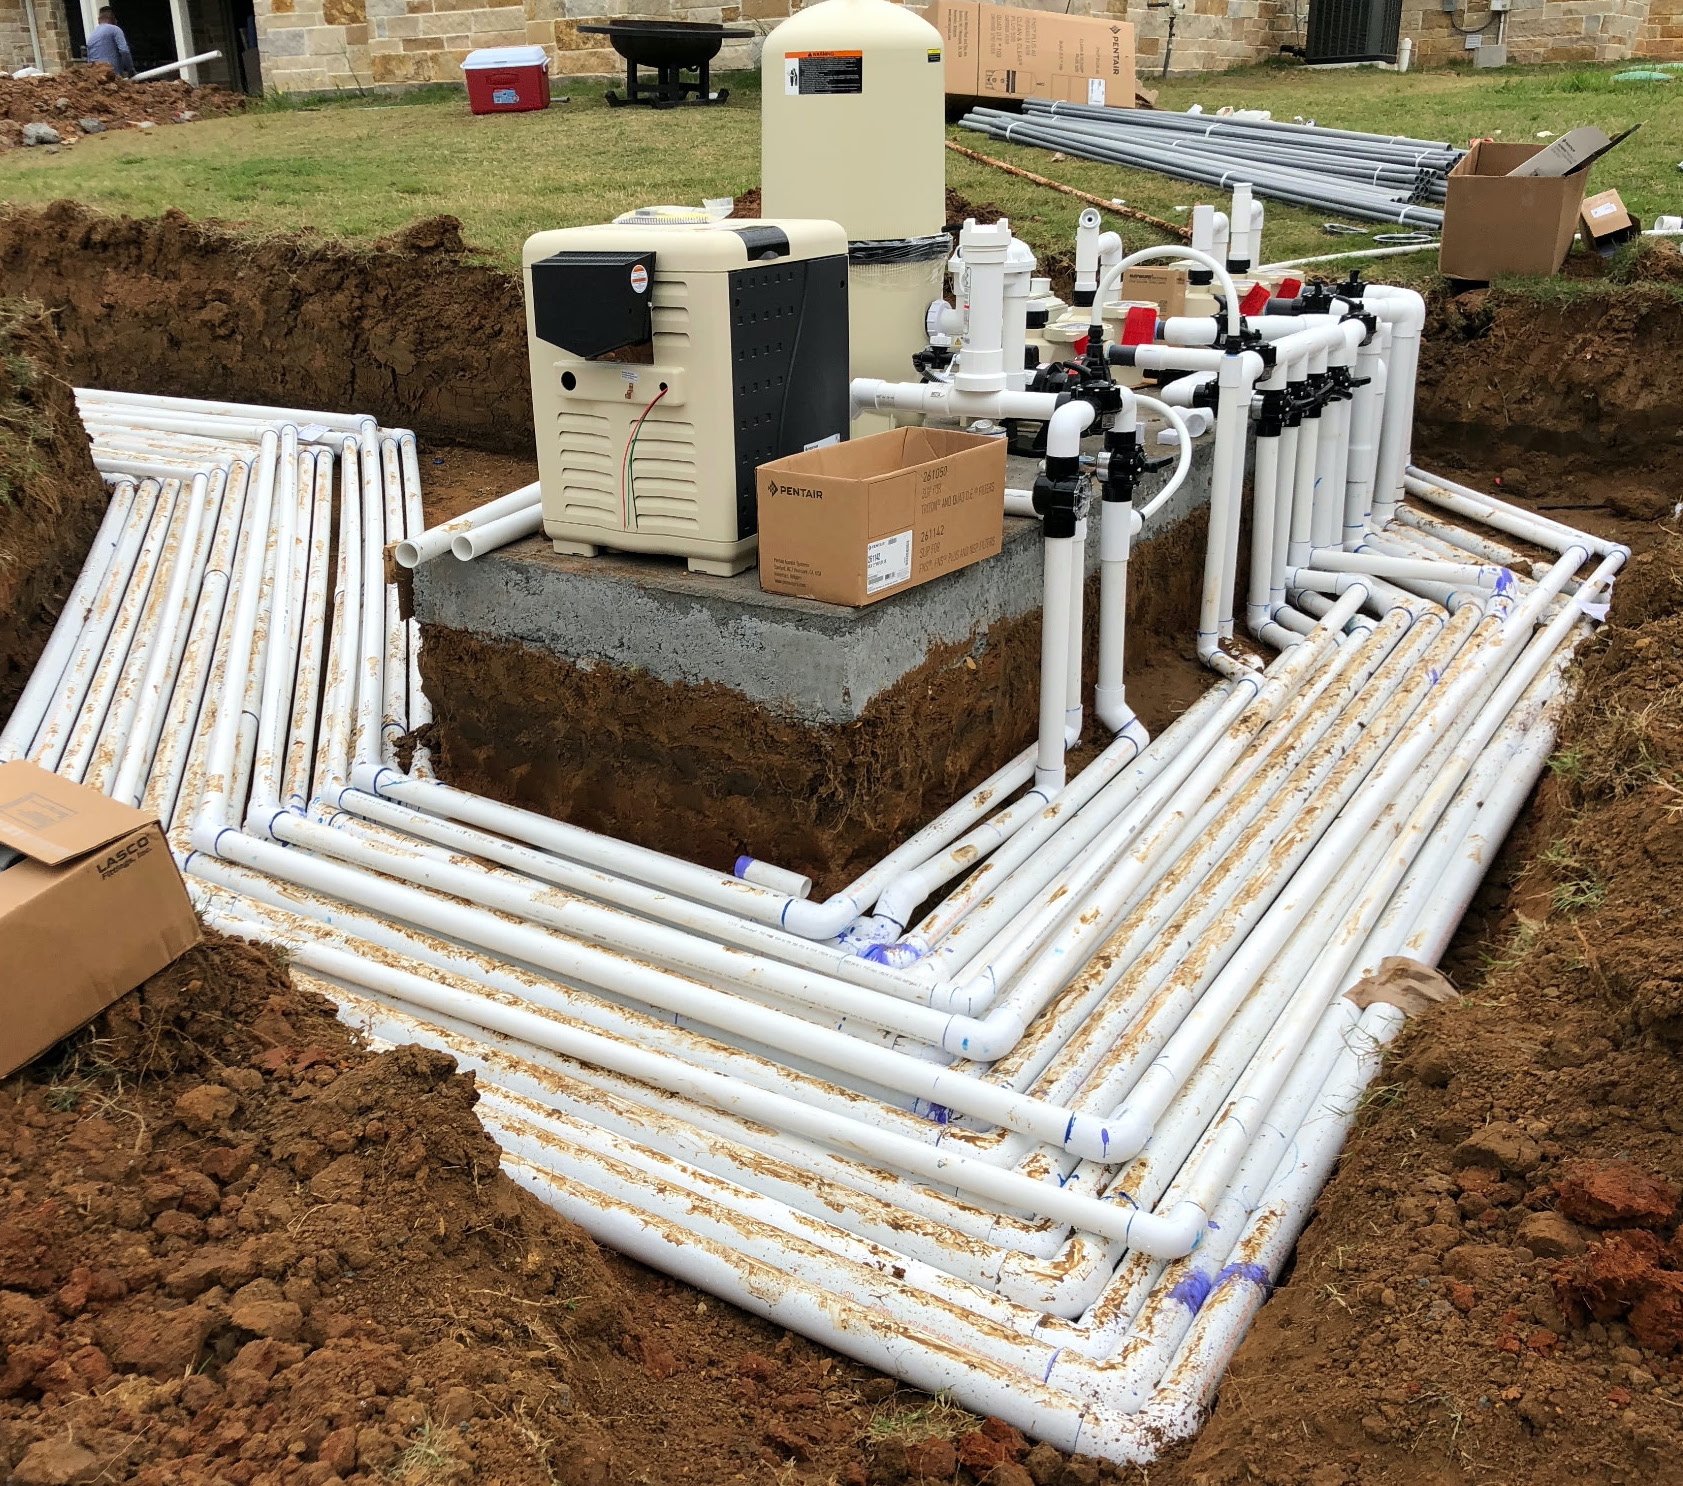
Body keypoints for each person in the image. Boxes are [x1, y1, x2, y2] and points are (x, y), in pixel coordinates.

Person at [85, 7, 136, 78]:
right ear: (113, 19)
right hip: (112, 75)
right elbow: (124, 51)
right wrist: (131, 70)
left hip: (97, 77)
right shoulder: (115, 29)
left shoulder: (92, 35)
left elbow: (89, 60)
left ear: (99, 20)